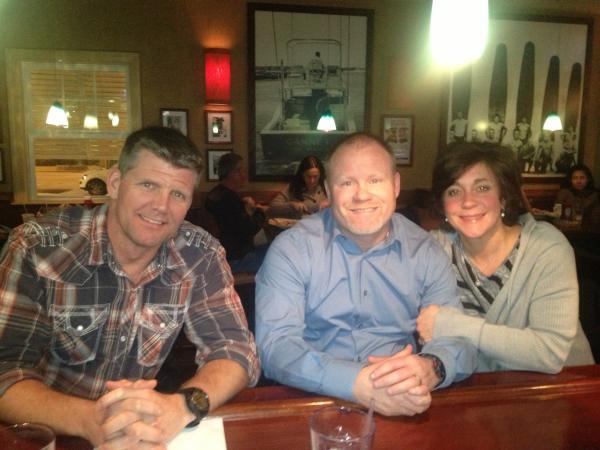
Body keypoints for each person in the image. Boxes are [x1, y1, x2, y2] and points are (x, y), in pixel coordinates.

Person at [0, 127, 260, 448]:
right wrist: (91, 420)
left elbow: (235, 350)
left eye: (178, 194)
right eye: (148, 185)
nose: (161, 206)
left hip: (145, 428)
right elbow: (6, 370)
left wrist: (181, 406)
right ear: (115, 182)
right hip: (52, 430)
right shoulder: (38, 248)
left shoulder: (199, 253)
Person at [256, 133, 476, 417]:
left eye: (375, 180)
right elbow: (275, 347)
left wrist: (431, 367)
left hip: (403, 398)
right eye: (347, 182)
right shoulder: (293, 248)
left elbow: (460, 342)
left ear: (395, 185)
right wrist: (358, 383)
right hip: (311, 401)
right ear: (328, 190)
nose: (361, 194)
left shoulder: (426, 252)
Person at [416, 142, 594, 373]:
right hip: (482, 394)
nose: (468, 201)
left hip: (563, 391)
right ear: (442, 204)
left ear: (503, 197)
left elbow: (550, 353)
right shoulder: (435, 249)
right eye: (453, 191)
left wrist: (451, 325)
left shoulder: (546, 247)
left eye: (482, 188)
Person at [205, 153, 269, 273]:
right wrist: (259, 211)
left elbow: (235, 223)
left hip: (220, 256)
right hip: (234, 260)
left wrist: (245, 208)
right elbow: (251, 229)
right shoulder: (229, 200)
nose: (244, 175)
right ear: (231, 173)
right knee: (277, 250)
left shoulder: (215, 194)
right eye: (241, 171)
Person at [268, 155, 329, 219]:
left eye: (315, 176)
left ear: (320, 175)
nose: (312, 180)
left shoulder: (326, 186)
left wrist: (329, 203)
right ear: (302, 174)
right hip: (298, 226)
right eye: (308, 176)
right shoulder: (294, 187)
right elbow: (272, 208)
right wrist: (291, 205)